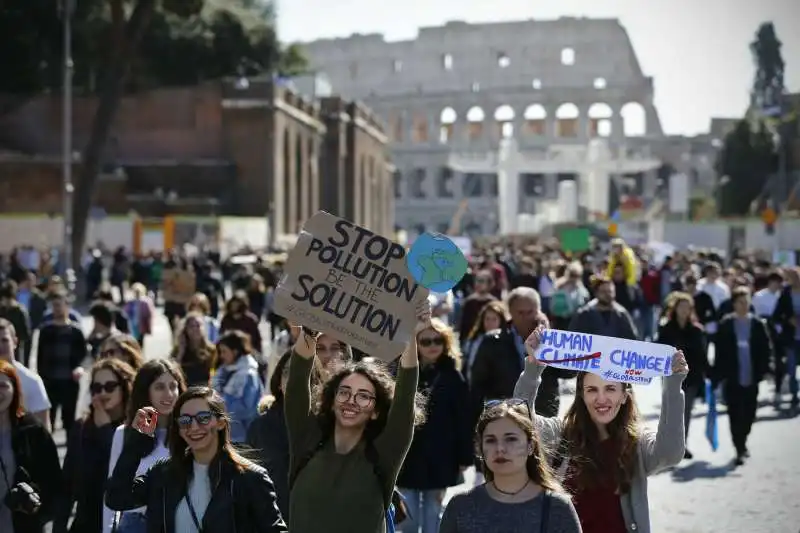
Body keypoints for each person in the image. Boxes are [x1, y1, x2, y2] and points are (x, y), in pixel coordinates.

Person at [516, 326, 688, 533]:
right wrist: (533, 368)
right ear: (581, 394)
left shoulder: (637, 443)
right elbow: (519, 421)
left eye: (610, 389)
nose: (601, 399)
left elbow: (670, 453)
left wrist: (672, 385)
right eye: (592, 390)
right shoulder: (560, 434)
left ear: (625, 396)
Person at [284, 309, 429, 533]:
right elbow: (297, 381)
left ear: (376, 411)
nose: (351, 401)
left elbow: (405, 395)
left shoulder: (384, 453)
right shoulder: (307, 439)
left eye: (363, 396)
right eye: (344, 392)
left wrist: (409, 337)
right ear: (331, 401)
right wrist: (309, 332)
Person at [105, 386, 288, 532]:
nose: (194, 426)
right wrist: (137, 440)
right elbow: (117, 498)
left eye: (203, 418)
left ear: (221, 422)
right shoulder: (164, 474)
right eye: (185, 420)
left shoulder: (250, 479)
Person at [438, 400, 581, 533]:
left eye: (511, 439)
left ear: (530, 446)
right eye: (491, 440)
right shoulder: (461, 506)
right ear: (480, 448)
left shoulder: (557, 507)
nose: (500, 448)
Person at [103, 359, 186, 533]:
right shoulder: (124, 433)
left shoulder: (190, 432)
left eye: (173, 386)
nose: (169, 394)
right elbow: (113, 490)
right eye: (159, 387)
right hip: (136, 524)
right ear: (145, 392)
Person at [55, 358, 136, 533]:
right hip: (85, 524)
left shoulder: (135, 429)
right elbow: (67, 484)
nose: (102, 393)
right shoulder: (82, 427)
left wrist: (105, 430)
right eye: (96, 388)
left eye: (109, 386)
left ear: (124, 387)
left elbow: (120, 471)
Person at [0, 359, 62, 533]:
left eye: (3, 386)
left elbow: (54, 482)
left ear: (15, 389)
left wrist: (34, 497)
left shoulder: (33, 431)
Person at [212, 330, 263, 443]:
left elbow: (248, 409)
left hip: (243, 438)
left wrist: (220, 408)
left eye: (224, 351)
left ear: (235, 351)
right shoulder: (223, 371)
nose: (221, 356)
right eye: (220, 352)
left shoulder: (248, 375)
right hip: (225, 435)